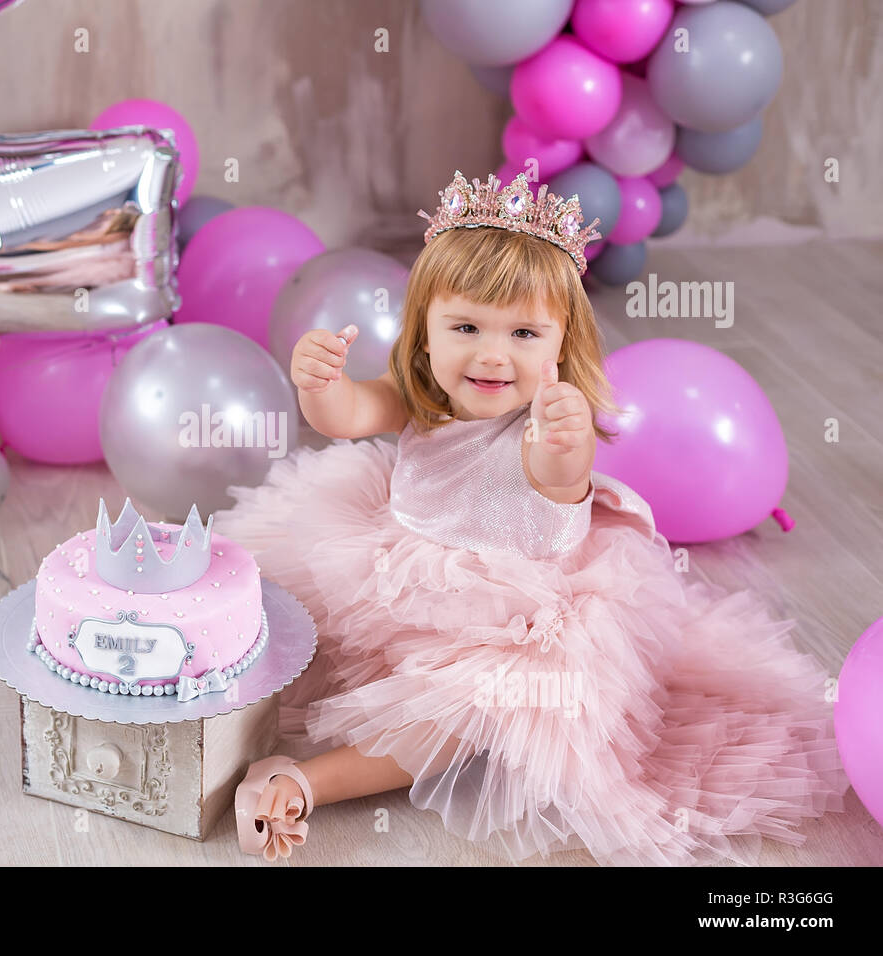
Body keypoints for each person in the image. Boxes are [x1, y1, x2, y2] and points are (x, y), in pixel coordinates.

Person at [217, 171, 849, 866]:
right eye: (466, 327)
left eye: (523, 332)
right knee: (282, 620)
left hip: (520, 617)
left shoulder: (552, 425)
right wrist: (321, 387)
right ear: (424, 331)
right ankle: (217, 717)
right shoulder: (421, 392)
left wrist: (560, 443)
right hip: (394, 571)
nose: (492, 353)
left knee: (465, 716)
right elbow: (348, 418)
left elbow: (559, 480)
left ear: (560, 343)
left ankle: (301, 782)